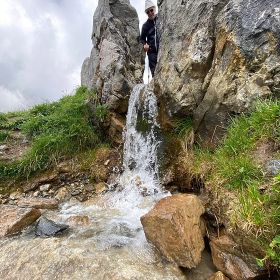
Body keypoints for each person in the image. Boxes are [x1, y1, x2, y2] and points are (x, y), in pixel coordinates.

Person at [140, 0, 159, 77]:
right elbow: (142, 38)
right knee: (154, 72)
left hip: (162, 48)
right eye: (148, 12)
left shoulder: (161, 18)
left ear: (154, 9)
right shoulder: (145, 25)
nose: (150, 13)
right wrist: (145, 44)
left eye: (151, 10)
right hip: (152, 52)